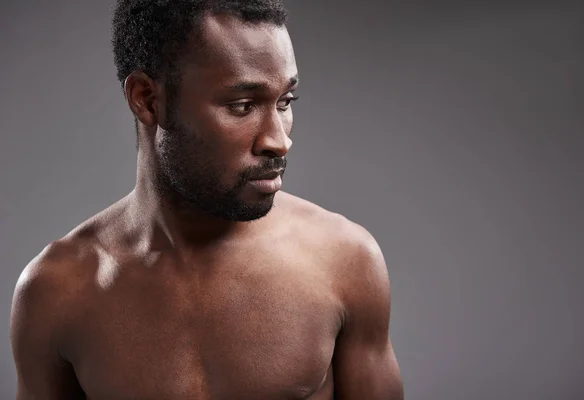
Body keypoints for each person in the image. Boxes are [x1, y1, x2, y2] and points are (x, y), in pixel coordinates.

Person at [9, 1, 404, 399]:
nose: (279, 141)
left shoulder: (345, 261)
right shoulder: (56, 292)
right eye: (243, 106)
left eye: (285, 103)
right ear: (147, 99)